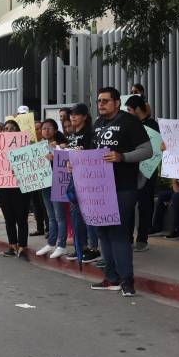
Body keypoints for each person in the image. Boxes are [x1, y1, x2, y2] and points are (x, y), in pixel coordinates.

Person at [88, 87, 151, 295]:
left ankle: (127, 281)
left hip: (123, 187)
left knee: (119, 234)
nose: (101, 104)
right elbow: (91, 154)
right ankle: (111, 277)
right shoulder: (97, 124)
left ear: (117, 103)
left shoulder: (129, 122)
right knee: (103, 233)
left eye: (106, 101)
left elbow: (147, 150)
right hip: (100, 189)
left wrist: (121, 157)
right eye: (99, 101)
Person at [63, 103, 101, 263]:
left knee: (89, 214)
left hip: (89, 180)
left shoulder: (90, 134)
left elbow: (94, 156)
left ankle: (93, 248)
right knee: (76, 215)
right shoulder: (71, 135)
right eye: (71, 114)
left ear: (85, 116)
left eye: (77, 114)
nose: (73, 116)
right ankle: (81, 248)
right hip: (74, 178)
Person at [124, 94, 160, 252]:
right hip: (131, 169)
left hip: (147, 171)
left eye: (130, 109)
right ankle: (127, 237)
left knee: (145, 205)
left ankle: (142, 238)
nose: (128, 112)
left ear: (138, 109)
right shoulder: (129, 125)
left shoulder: (153, 126)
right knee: (129, 204)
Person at [34, 118, 69, 259]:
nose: (46, 130)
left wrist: (58, 149)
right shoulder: (39, 145)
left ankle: (62, 245)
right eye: (43, 128)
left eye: (49, 128)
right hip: (45, 183)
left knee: (60, 215)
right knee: (51, 215)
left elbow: (67, 158)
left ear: (55, 130)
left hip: (59, 182)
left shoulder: (63, 144)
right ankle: (51, 242)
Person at [0, 118, 30, 259]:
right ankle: (12, 245)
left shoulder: (25, 145)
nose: (8, 131)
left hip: (20, 187)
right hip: (4, 186)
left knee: (21, 218)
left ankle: (22, 247)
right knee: (9, 218)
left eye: (12, 128)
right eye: (6, 128)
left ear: (18, 131)